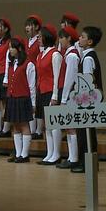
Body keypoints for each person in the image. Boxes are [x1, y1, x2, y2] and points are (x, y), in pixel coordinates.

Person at [72, 26, 104, 173]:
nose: (79, 38)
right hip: (88, 102)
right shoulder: (87, 55)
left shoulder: (88, 58)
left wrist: (82, 101)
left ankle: (86, 164)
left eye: (83, 37)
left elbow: (87, 81)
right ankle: (87, 163)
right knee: (87, 133)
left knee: (85, 134)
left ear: (90, 41)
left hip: (87, 103)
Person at [3, 37, 36, 163]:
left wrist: (33, 103)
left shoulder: (29, 64)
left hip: (23, 98)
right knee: (15, 126)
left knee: (24, 125)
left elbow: (31, 86)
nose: (10, 50)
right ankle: (18, 153)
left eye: (12, 47)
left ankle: (25, 154)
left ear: (19, 49)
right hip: (12, 98)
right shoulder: (12, 63)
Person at [35, 24, 63, 166]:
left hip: (51, 92)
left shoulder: (55, 54)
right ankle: (49, 152)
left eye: (40, 36)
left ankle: (56, 154)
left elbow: (57, 77)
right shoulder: (40, 54)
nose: (38, 39)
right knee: (47, 125)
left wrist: (55, 95)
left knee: (54, 124)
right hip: (42, 91)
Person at [55, 27, 80, 169]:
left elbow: (70, 79)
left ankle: (74, 158)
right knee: (68, 127)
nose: (60, 41)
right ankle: (71, 157)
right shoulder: (68, 54)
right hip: (67, 94)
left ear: (69, 38)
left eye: (62, 38)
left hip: (69, 95)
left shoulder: (71, 56)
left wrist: (64, 99)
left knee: (71, 128)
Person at [24, 14, 43, 140]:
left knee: (36, 99)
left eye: (30, 25)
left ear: (36, 27)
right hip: (26, 73)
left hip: (37, 73)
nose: (27, 28)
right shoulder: (26, 42)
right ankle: (31, 128)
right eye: (26, 25)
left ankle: (38, 129)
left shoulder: (39, 41)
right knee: (29, 99)